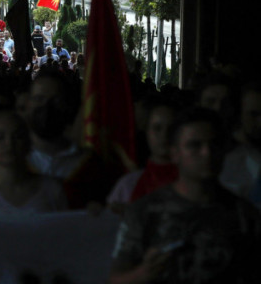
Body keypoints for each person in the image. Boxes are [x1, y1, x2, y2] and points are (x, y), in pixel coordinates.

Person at [109, 108, 261, 283]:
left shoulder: (245, 216)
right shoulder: (144, 212)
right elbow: (115, 279)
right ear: (175, 153)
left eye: (214, 144)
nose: (207, 153)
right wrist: (144, 273)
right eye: (194, 145)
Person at [0, 111, 68, 218]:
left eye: (17, 136)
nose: (9, 143)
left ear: (28, 144)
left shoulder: (52, 189)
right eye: (0, 137)